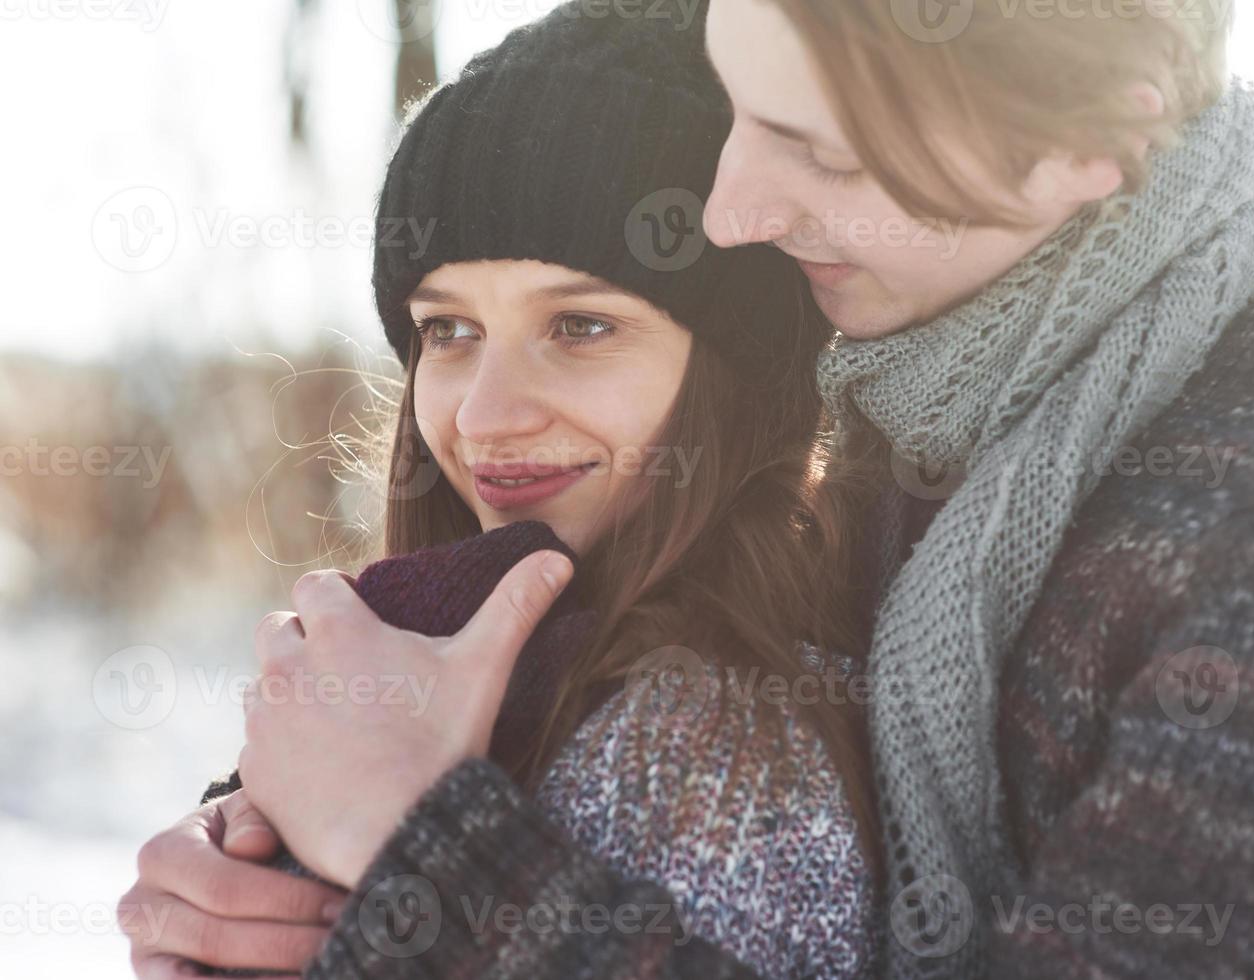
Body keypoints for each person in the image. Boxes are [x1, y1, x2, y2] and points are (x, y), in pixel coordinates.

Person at [126, 0, 1254, 977]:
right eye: (739, 104)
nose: (731, 212)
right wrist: (259, 853)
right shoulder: (916, 335)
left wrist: (421, 853)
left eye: (814, 150)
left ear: (1093, 140)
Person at [118, 6, 879, 978]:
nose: (484, 415)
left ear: (744, 370)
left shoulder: (712, 746)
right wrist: (256, 832)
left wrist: (406, 840)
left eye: (582, 326)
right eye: (448, 330)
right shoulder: (480, 658)